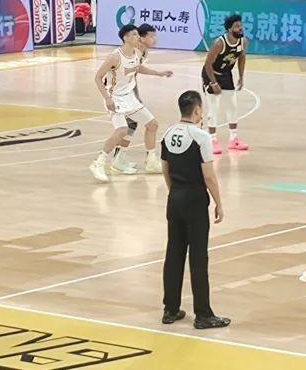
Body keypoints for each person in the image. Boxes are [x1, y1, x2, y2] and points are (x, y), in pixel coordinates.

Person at [160, 90, 230, 330]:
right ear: (198, 110)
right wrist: (218, 202)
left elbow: (165, 169)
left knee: (174, 253)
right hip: (195, 201)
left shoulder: (168, 133)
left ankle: (170, 309)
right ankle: (203, 314)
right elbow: (209, 176)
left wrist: (174, 193)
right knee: (198, 257)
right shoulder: (201, 137)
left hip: (175, 198)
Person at [90, 25, 160, 183]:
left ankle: (151, 161)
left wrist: (158, 73)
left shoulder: (137, 53)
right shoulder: (115, 57)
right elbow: (98, 77)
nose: (138, 37)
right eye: (134, 35)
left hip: (129, 97)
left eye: (138, 35)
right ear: (126, 38)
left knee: (152, 124)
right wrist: (107, 98)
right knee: (122, 130)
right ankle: (98, 162)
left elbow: (138, 68)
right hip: (115, 97)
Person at [109, 23, 174, 176]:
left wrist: (158, 73)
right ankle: (120, 158)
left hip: (128, 87)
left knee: (135, 123)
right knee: (135, 124)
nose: (155, 39)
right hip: (120, 90)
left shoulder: (143, 51)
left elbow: (137, 69)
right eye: (151, 36)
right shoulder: (133, 50)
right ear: (142, 38)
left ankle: (121, 157)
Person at [201, 15, 249, 155]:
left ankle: (234, 139)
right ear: (229, 29)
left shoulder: (243, 41)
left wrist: (241, 76)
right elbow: (207, 64)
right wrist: (213, 82)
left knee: (232, 106)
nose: (240, 28)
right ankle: (212, 140)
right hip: (211, 74)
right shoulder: (219, 43)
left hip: (226, 74)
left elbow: (242, 57)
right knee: (214, 107)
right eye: (237, 26)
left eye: (241, 25)